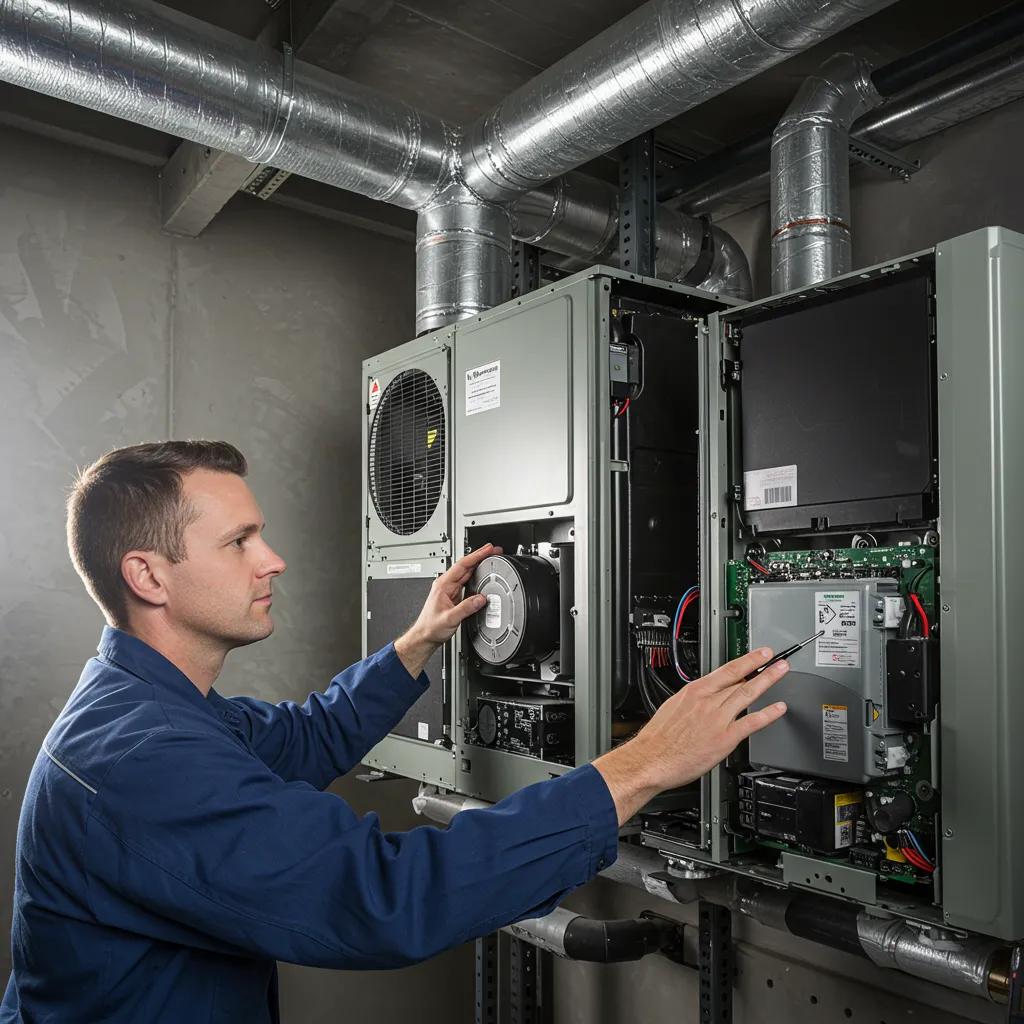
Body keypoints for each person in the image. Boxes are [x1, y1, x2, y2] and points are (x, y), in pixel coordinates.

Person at [0, 440, 788, 1023]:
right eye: (239, 541)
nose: (271, 560)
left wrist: (418, 645)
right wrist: (644, 764)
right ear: (147, 576)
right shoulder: (143, 759)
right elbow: (380, 898)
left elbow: (307, 739)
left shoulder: (152, 707)